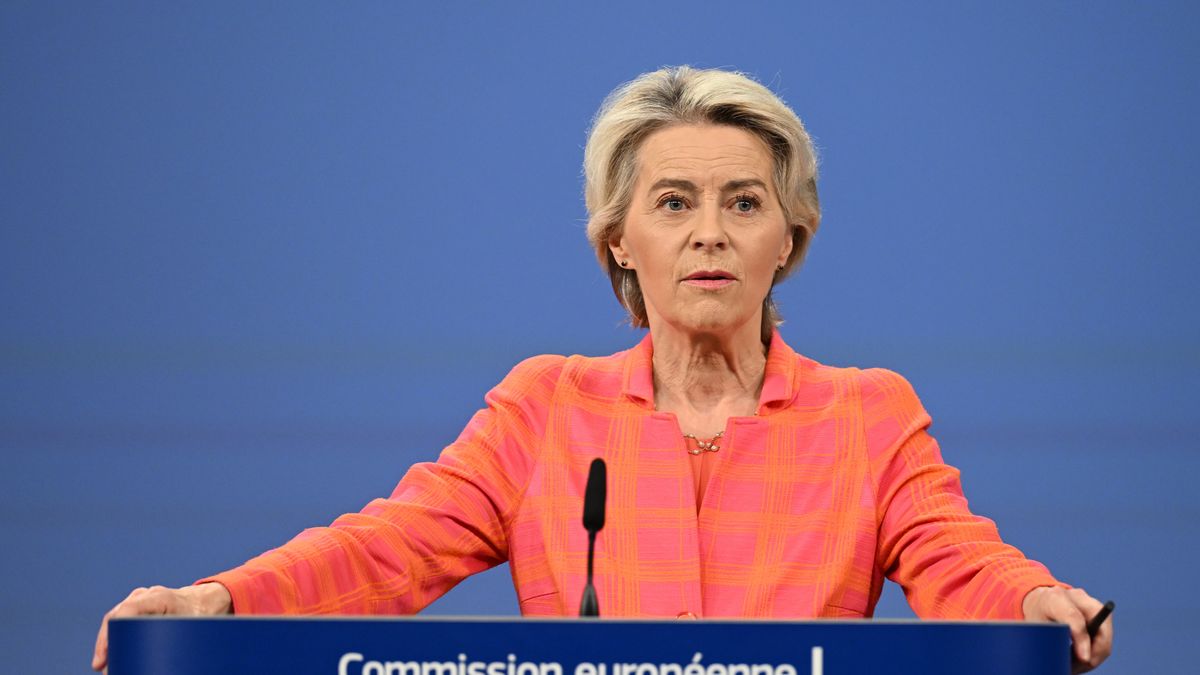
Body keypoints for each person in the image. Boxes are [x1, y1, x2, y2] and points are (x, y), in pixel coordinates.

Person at [92, 65, 1113, 673]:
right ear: (619, 238)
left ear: (787, 240)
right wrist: (216, 602)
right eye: (674, 203)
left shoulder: (868, 416)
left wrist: (1036, 603)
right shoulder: (548, 407)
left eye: (744, 204)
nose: (710, 234)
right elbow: (384, 551)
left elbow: (956, 559)